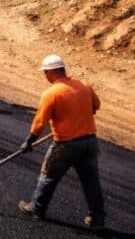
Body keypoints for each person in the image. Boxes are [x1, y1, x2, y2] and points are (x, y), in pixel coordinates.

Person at [18, 55, 105, 230]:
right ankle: (97, 219)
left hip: (66, 145)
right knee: (91, 181)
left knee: (48, 177)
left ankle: (36, 208)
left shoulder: (52, 93)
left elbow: (39, 122)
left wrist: (28, 142)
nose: (45, 75)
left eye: (45, 72)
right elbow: (96, 105)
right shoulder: (84, 87)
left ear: (50, 72)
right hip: (90, 142)